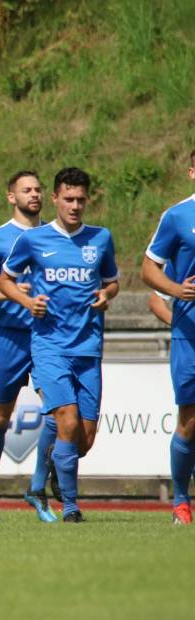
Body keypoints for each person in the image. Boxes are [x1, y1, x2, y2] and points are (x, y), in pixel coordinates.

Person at [0, 167, 118, 523]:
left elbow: (112, 282)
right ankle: (70, 506)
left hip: (89, 348)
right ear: (55, 199)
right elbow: (5, 280)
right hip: (49, 346)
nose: (75, 205)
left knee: (83, 439)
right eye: (68, 198)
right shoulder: (34, 240)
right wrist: (26, 302)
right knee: (66, 422)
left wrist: (105, 294)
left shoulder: (101, 239)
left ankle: (52, 467)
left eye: (81, 199)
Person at [0, 170, 59, 523]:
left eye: (38, 189)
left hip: (48, 337)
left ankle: (37, 489)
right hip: (8, 338)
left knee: (56, 411)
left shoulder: (56, 236)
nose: (33, 194)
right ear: (12, 197)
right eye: (26, 190)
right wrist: (14, 293)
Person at [141, 149, 195, 524]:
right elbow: (148, 270)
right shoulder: (177, 217)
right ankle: (180, 501)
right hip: (190, 335)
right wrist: (175, 291)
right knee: (190, 420)